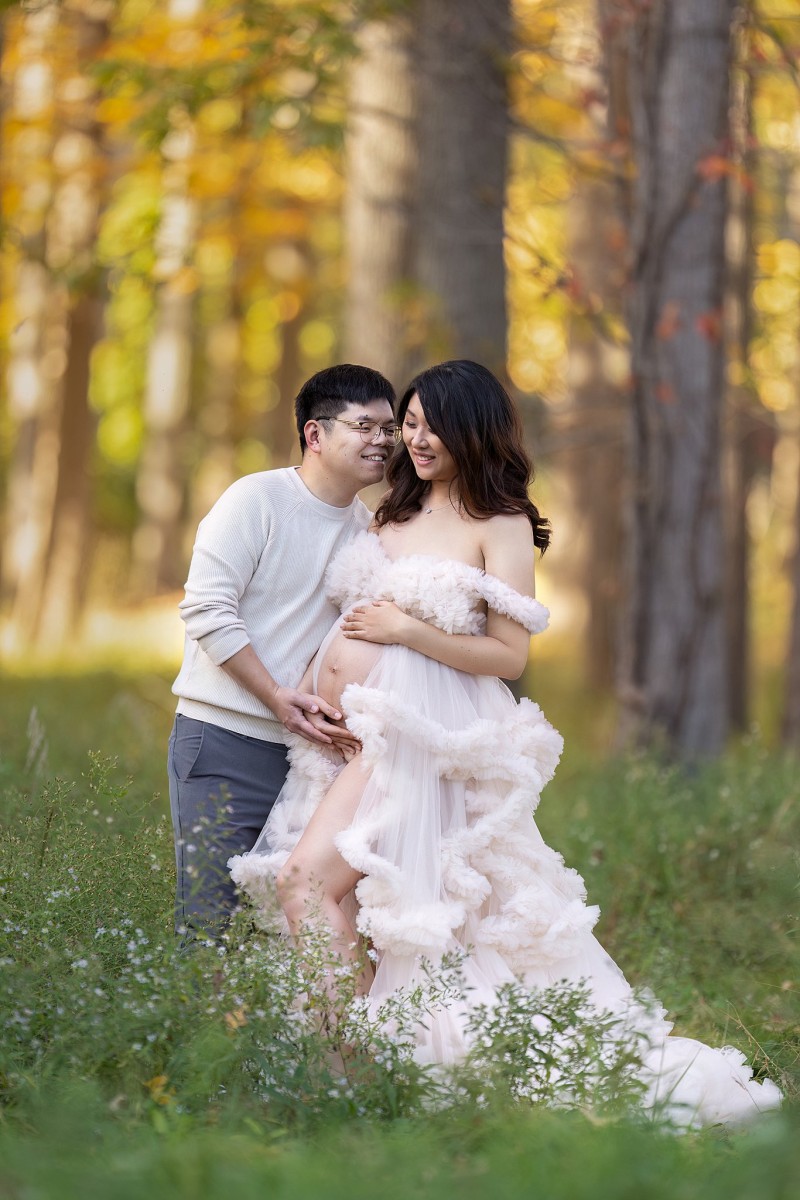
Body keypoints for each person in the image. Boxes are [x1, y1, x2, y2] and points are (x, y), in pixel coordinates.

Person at [229, 360, 782, 1127]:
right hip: (350, 741)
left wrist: (405, 630)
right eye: (408, 424)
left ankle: (342, 1075)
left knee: (305, 883)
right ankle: (358, 1072)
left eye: (429, 427)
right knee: (360, 906)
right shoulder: (389, 511)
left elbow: (509, 655)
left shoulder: (502, 522)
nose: (413, 440)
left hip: (419, 740)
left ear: (473, 430)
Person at [168, 363, 397, 941]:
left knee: (279, 928)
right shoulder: (257, 499)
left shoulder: (369, 529)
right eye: (364, 427)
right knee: (210, 923)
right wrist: (275, 696)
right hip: (225, 739)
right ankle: (194, 1032)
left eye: (390, 429)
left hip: (309, 757)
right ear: (314, 435)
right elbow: (205, 609)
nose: (383, 442)